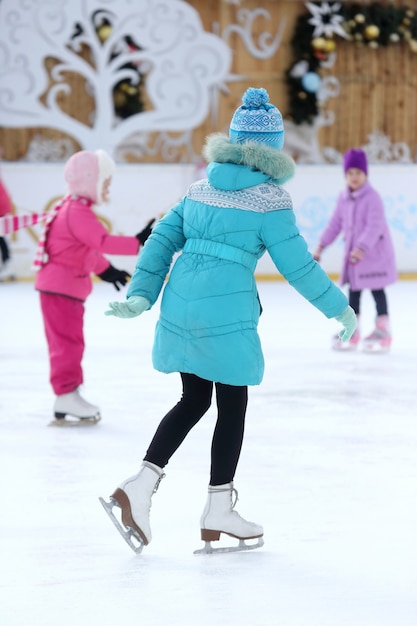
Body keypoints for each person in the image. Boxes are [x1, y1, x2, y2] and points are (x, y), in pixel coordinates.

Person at [101, 87, 357, 554]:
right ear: (271, 149)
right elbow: (298, 266)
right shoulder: (270, 201)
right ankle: (217, 507)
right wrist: (338, 307)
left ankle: (140, 485)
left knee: (194, 398)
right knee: (232, 404)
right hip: (225, 312)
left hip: (180, 303)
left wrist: (142, 295)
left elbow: (160, 240)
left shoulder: (199, 188)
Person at [34, 149, 155, 425]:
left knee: (69, 342)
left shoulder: (71, 208)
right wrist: (137, 241)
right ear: (90, 180)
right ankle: (66, 394)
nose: (109, 187)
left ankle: (68, 392)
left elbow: (82, 248)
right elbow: (101, 241)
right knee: (67, 343)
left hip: (60, 289)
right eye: (105, 180)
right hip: (61, 290)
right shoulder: (76, 211)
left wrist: (106, 270)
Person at [313, 149, 397, 352]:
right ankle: (353, 329)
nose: (354, 177)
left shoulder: (372, 197)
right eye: (350, 173)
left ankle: (383, 330)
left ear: (365, 174)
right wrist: (321, 245)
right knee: (354, 292)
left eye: (358, 173)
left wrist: (361, 248)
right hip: (354, 260)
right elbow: (335, 223)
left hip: (373, 256)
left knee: (377, 290)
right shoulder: (344, 197)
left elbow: (374, 226)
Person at [0, 162, 14, 282]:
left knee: (1, 237)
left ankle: (7, 263)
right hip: (3, 207)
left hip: (1, 208)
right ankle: (7, 262)